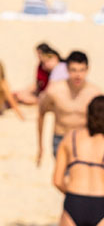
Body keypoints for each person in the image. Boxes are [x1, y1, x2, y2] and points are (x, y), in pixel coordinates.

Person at [39, 52, 103, 167]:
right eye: (74, 70)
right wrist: (40, 146)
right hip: (61, 139)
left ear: (87, 70)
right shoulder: (54, 91)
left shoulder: (94, 93)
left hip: (84, 139)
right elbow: (41, 113)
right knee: (63, 179)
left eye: (81, 70)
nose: (78, 75)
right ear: (67, 70)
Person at [52, 95, 104, 226]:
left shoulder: (70, 138)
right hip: (101, 200)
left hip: (75, 200)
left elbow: (57, 180)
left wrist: (73, 196)